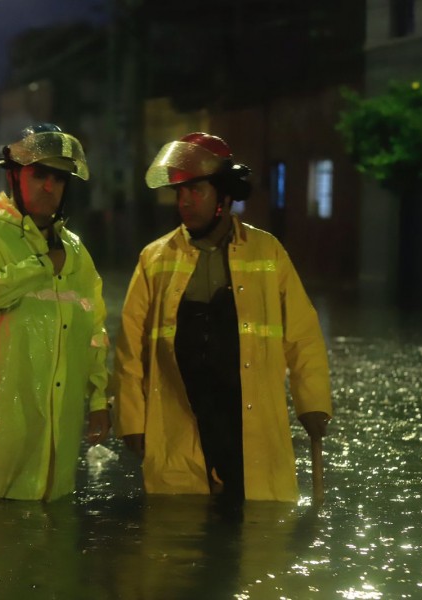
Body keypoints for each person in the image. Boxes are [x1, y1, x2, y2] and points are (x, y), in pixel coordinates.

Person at [112, 132, 332, 503]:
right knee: (179, 538)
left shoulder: (267, 251)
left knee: (257, 543)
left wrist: (313, 403)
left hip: (249, 422)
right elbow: (129, 347)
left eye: (195, 190)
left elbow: (302, 334)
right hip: (181, 415)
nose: (184, 201)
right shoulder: (155, 258)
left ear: (224, 195)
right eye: (179, 192)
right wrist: (131, 420)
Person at [0, 123, 110, 502]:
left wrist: (100, 401)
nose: (49, 187)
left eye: (58, 179)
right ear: (14, 176)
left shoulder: (75, 250)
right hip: (1, 422)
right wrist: (40, 263)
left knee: (54, 536)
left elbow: (94, 328)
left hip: (59, 428)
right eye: (39, 175)